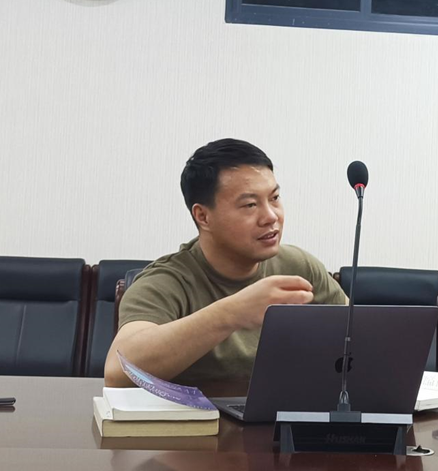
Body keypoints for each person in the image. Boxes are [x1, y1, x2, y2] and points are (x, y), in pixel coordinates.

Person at [104, 138, 348, 387]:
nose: (271, 216)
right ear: (203, 216)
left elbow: (359, 340)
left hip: (282, 410)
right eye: (250, 205)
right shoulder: (166, 282)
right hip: (195, 413)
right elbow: (118, 371)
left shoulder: (299, 267)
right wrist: (235, 311)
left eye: (274, 198)